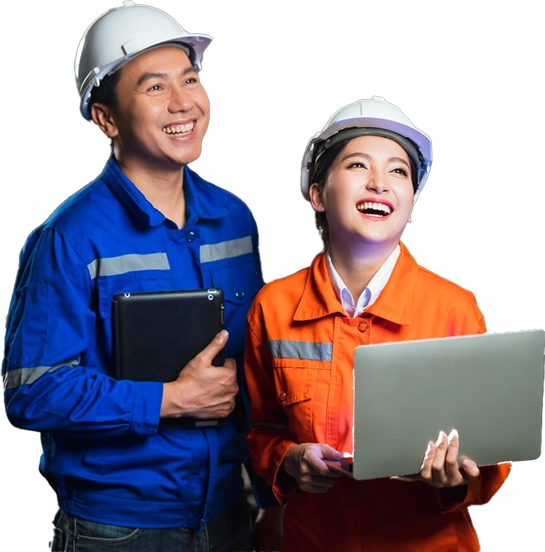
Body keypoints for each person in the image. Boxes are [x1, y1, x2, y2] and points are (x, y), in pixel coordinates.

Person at [1, 2, 280, 550]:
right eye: (154, 87)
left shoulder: (235, 220)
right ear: (106, 118)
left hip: (229, 513)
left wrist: (272, 497)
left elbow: (252, 372)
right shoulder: (70, 238)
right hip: (118, 529)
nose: (184, 104)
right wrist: (169, 401)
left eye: (191, 80)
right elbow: (31, 393)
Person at [244, 96, 513, 551]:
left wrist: (453, 478)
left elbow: (493, 458)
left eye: (398, 171)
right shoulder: (274, 306)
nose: (379, 183)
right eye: (356, 165)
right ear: (316, 194)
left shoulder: (453, 309)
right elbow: (259, 429)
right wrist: (288, 460)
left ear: (410, 206)